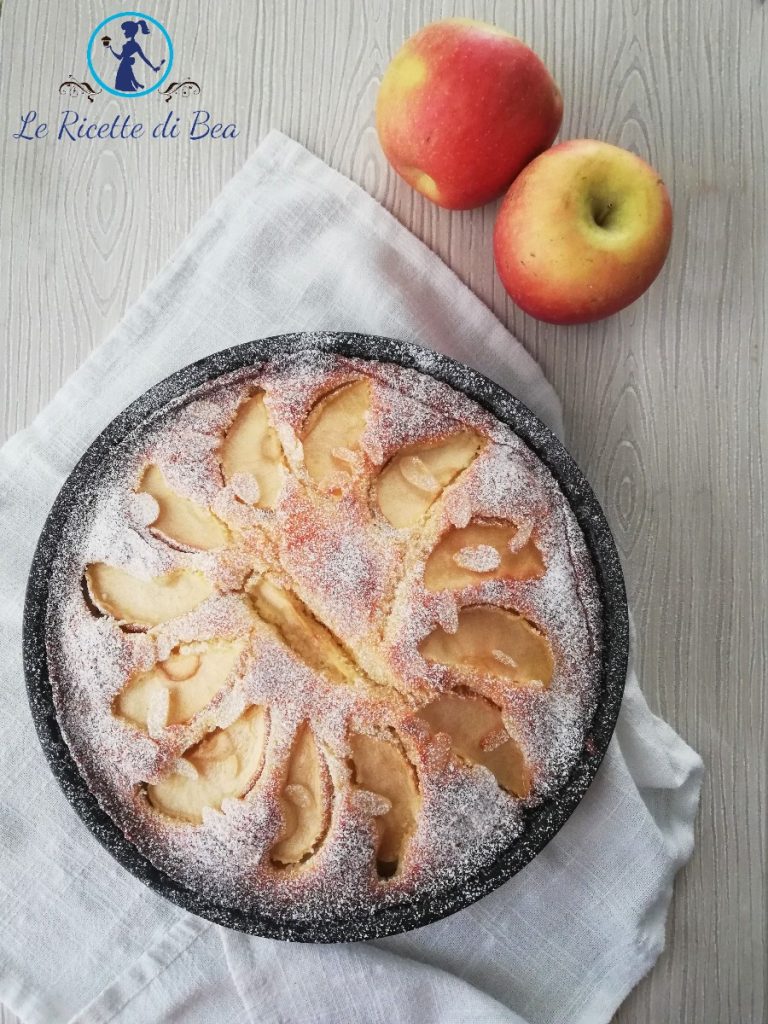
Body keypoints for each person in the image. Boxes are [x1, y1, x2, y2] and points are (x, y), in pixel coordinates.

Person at [109, 19, 164, 93]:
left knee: (126, 87)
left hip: (125, 66)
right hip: (123, 67)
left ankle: (136, 86)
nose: (124, 33)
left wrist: (152, 67)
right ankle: (137, 85)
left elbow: (144, 58)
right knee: (123, 87)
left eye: (126, 31)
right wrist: (111, 49)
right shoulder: (128, 44)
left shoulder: (135, 45)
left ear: (130, 32)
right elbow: (119, 57)